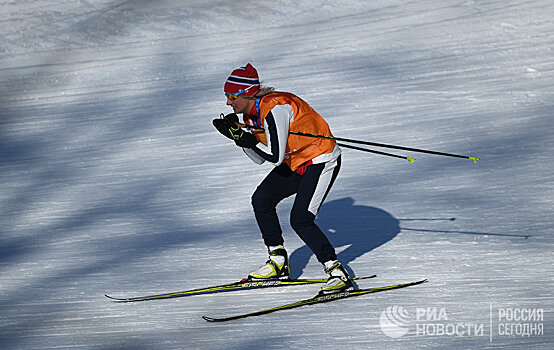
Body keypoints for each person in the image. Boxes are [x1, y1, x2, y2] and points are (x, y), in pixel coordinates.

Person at [212, 63, 353, 294]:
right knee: (262, 199)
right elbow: (258, 158)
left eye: (231, 96)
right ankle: (277, 262)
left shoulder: (275, 108)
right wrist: (237, 137)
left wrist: (248, 140)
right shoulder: (249, 115)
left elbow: (275, 157)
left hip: (321, 160)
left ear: (247, 93)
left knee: (301, 219)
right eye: (227, 96)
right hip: (296, 162)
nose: (228, 102)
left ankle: (336, 271)